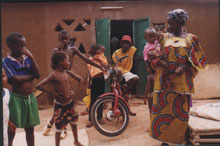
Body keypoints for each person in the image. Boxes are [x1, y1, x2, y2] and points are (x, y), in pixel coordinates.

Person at [149, 9, 208, 146]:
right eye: (168, 23)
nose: (169, 27)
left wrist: (184, 67)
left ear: (181, 23)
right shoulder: (163, 38)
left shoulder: (191, 39)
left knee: (180, 113)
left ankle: (178, 140)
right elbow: (154, 54)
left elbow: (199, 61)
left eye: (173, 24)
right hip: (164, 83)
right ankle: (164, 139)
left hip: (181, 83)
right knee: (163, 112)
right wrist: (158, 61)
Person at [43, 30, 103, 136]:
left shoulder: (73, 49)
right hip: (57, 79)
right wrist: (59, 51)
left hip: (67, 76)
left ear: (69, 39)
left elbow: (86, 60)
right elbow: (53, 67)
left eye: (67, 39)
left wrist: (100, 66)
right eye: (62, 39)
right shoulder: (56, 50)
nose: (65, 41)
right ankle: (56, 126)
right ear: (59, 39)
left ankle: (53, 125)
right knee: (60, 105)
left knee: (64, 106)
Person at [36, 51, 83, 146]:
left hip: (70, 103)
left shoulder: (68, 72)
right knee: (59, 127)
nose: (69, 63)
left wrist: (74, 91)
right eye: (67, 61)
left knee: (73, 122)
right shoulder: (53, 75)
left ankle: (76, 141)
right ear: (60, 62)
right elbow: (39, 85)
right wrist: (51, 92)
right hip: (60, 106)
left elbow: (80, 80)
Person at [2, 32, 41, 146]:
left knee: (30, 129)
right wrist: (31, 76)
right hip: (16, 99)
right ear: (10, 45)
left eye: (24, 46)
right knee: (12, 128)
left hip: (30, 98)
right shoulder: (6, 61)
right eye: (20, 46)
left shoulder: (27, 59)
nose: (23, 49)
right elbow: (14, 79)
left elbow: (38, 74)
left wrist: (32, 57)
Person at [143, 27, 169, 108]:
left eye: (154, 36)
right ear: (146, 38)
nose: (152, 38)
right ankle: (166, 79)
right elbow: (146, 58)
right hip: (155, 61)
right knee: (165, 65)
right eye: (150, 37)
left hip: (159, 57)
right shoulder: (146, 47)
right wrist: (148, 67)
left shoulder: (157, 42)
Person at [86, 45, 108, 127]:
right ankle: (90, 119)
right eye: (101, 49)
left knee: (101, 99)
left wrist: (98, 60)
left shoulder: (102, 57)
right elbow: (89, 71)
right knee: (93, 100)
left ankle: (99, 118)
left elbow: (106, 67)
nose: (102, 51)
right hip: (94, 80)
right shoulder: (89, 59)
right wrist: (88, 82)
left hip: (101, 80)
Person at [2, 68, 16, 146]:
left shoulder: (7, 93)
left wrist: (9, 122)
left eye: (3, 76)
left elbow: (7, 109)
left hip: (5, 125)